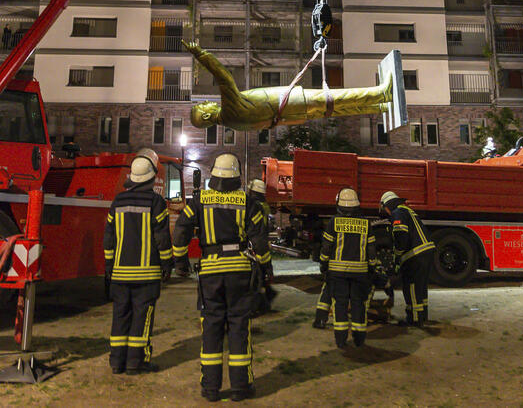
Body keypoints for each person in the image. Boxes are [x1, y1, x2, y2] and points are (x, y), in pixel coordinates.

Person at [172, 153, 272, 403]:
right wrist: (265, 266)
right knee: (239, 327)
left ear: (214, 175)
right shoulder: (248, 203)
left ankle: (210, 388)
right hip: (239, 271)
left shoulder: (199, 201)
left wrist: (180, 261)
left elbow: (182, 229)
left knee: (211, 328)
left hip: (210, 272)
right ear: (237, 176)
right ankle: (240, 387)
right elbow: (259, 240)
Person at [183, 40, 395, 131]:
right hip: (289, 104)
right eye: (204, 108)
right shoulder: (230, 112)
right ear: (208, 117)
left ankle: (378, 106)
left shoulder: (233, 123)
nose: (206, 104)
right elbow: (224, 78)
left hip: (287, 116)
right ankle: (379, 93)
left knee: (332, 109)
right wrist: (201, 55)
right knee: (334, 98)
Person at [102, 149, 172, 374]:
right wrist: (167, 264)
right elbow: (162, 238)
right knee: (142, 318)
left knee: (120, 316)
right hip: (146, 276)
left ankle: (116, 362)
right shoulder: (156, 202)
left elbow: (109, 238)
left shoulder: (117, 201)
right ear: (152, 178)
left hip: (120, 275)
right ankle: (135, 363)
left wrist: (108, 266)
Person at [319, 188, 379, 348]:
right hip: (360, 273)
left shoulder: (334, 222)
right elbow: (372, 250)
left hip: (337, 273)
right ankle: (359, 339)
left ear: (340, 205)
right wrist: (372, 267)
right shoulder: (366, 223)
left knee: (340, 304)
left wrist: (323, 264)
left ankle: (341, 340)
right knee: (358, 304)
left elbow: (326, 247)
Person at [379, 190, 434, 327]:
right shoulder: (407, 210)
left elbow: (401, 236)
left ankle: (414, 320)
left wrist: (397, 256)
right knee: (421, 287)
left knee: (411, 287)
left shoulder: (397, 213)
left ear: (387, 206)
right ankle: (422, 316)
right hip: (425, 252)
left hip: (415, 255)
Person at [247, 178, 278, 314]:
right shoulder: (263, 205)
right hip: (262, 241)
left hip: (255, 243)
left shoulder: (253, 206)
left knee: (255, 277)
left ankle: (256, 307)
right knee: (262, 274)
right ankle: (265, 303)